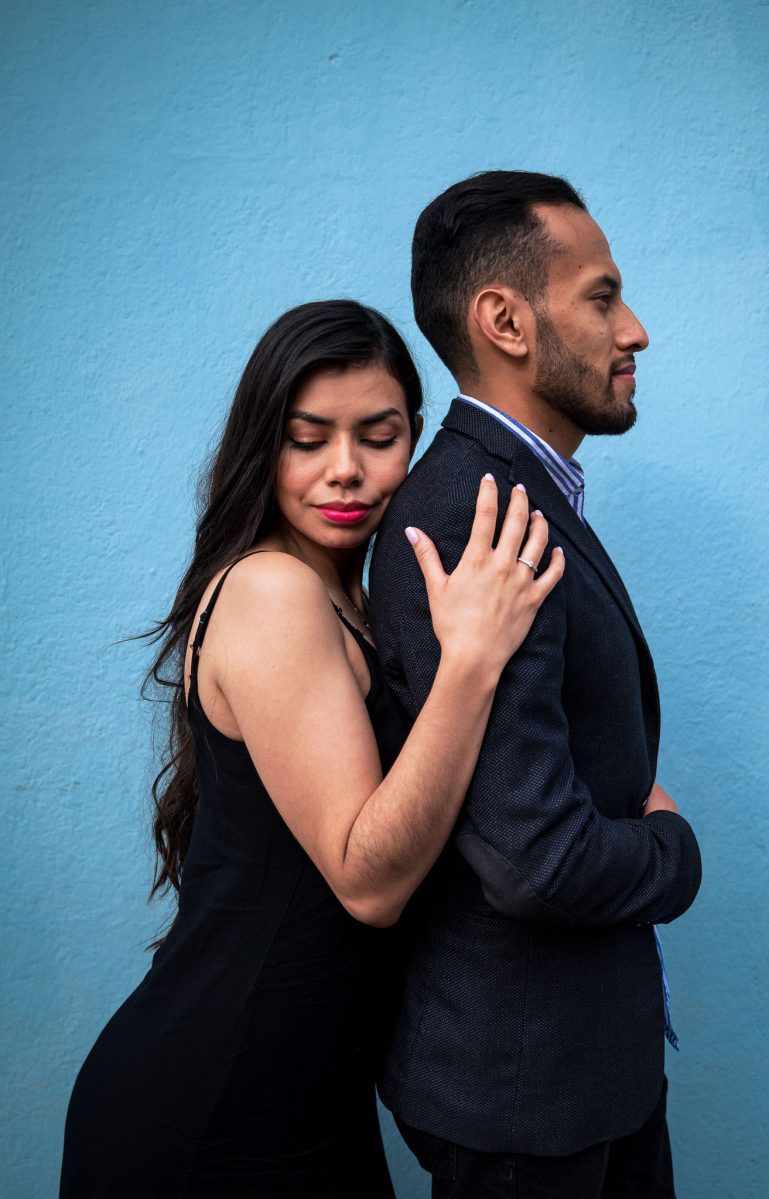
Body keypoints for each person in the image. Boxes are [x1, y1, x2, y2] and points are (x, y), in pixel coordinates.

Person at [59, 299, 563, 1199]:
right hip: (215, 1108)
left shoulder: (346, 602)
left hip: (304, 1101)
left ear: (414, 439)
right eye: (307, 438)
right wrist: (473, 661)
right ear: (265, 446)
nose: (346, 471)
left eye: (378, 436)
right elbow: (367, 881)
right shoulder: (273, 592)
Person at [369, 172, 703, 1198]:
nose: (633, 329)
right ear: (505, 320)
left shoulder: (516, 493)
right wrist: (671, 851)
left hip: (577, 1079)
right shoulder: (480, 517)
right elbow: (535, 857)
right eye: (601, 296)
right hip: (525, 1104)